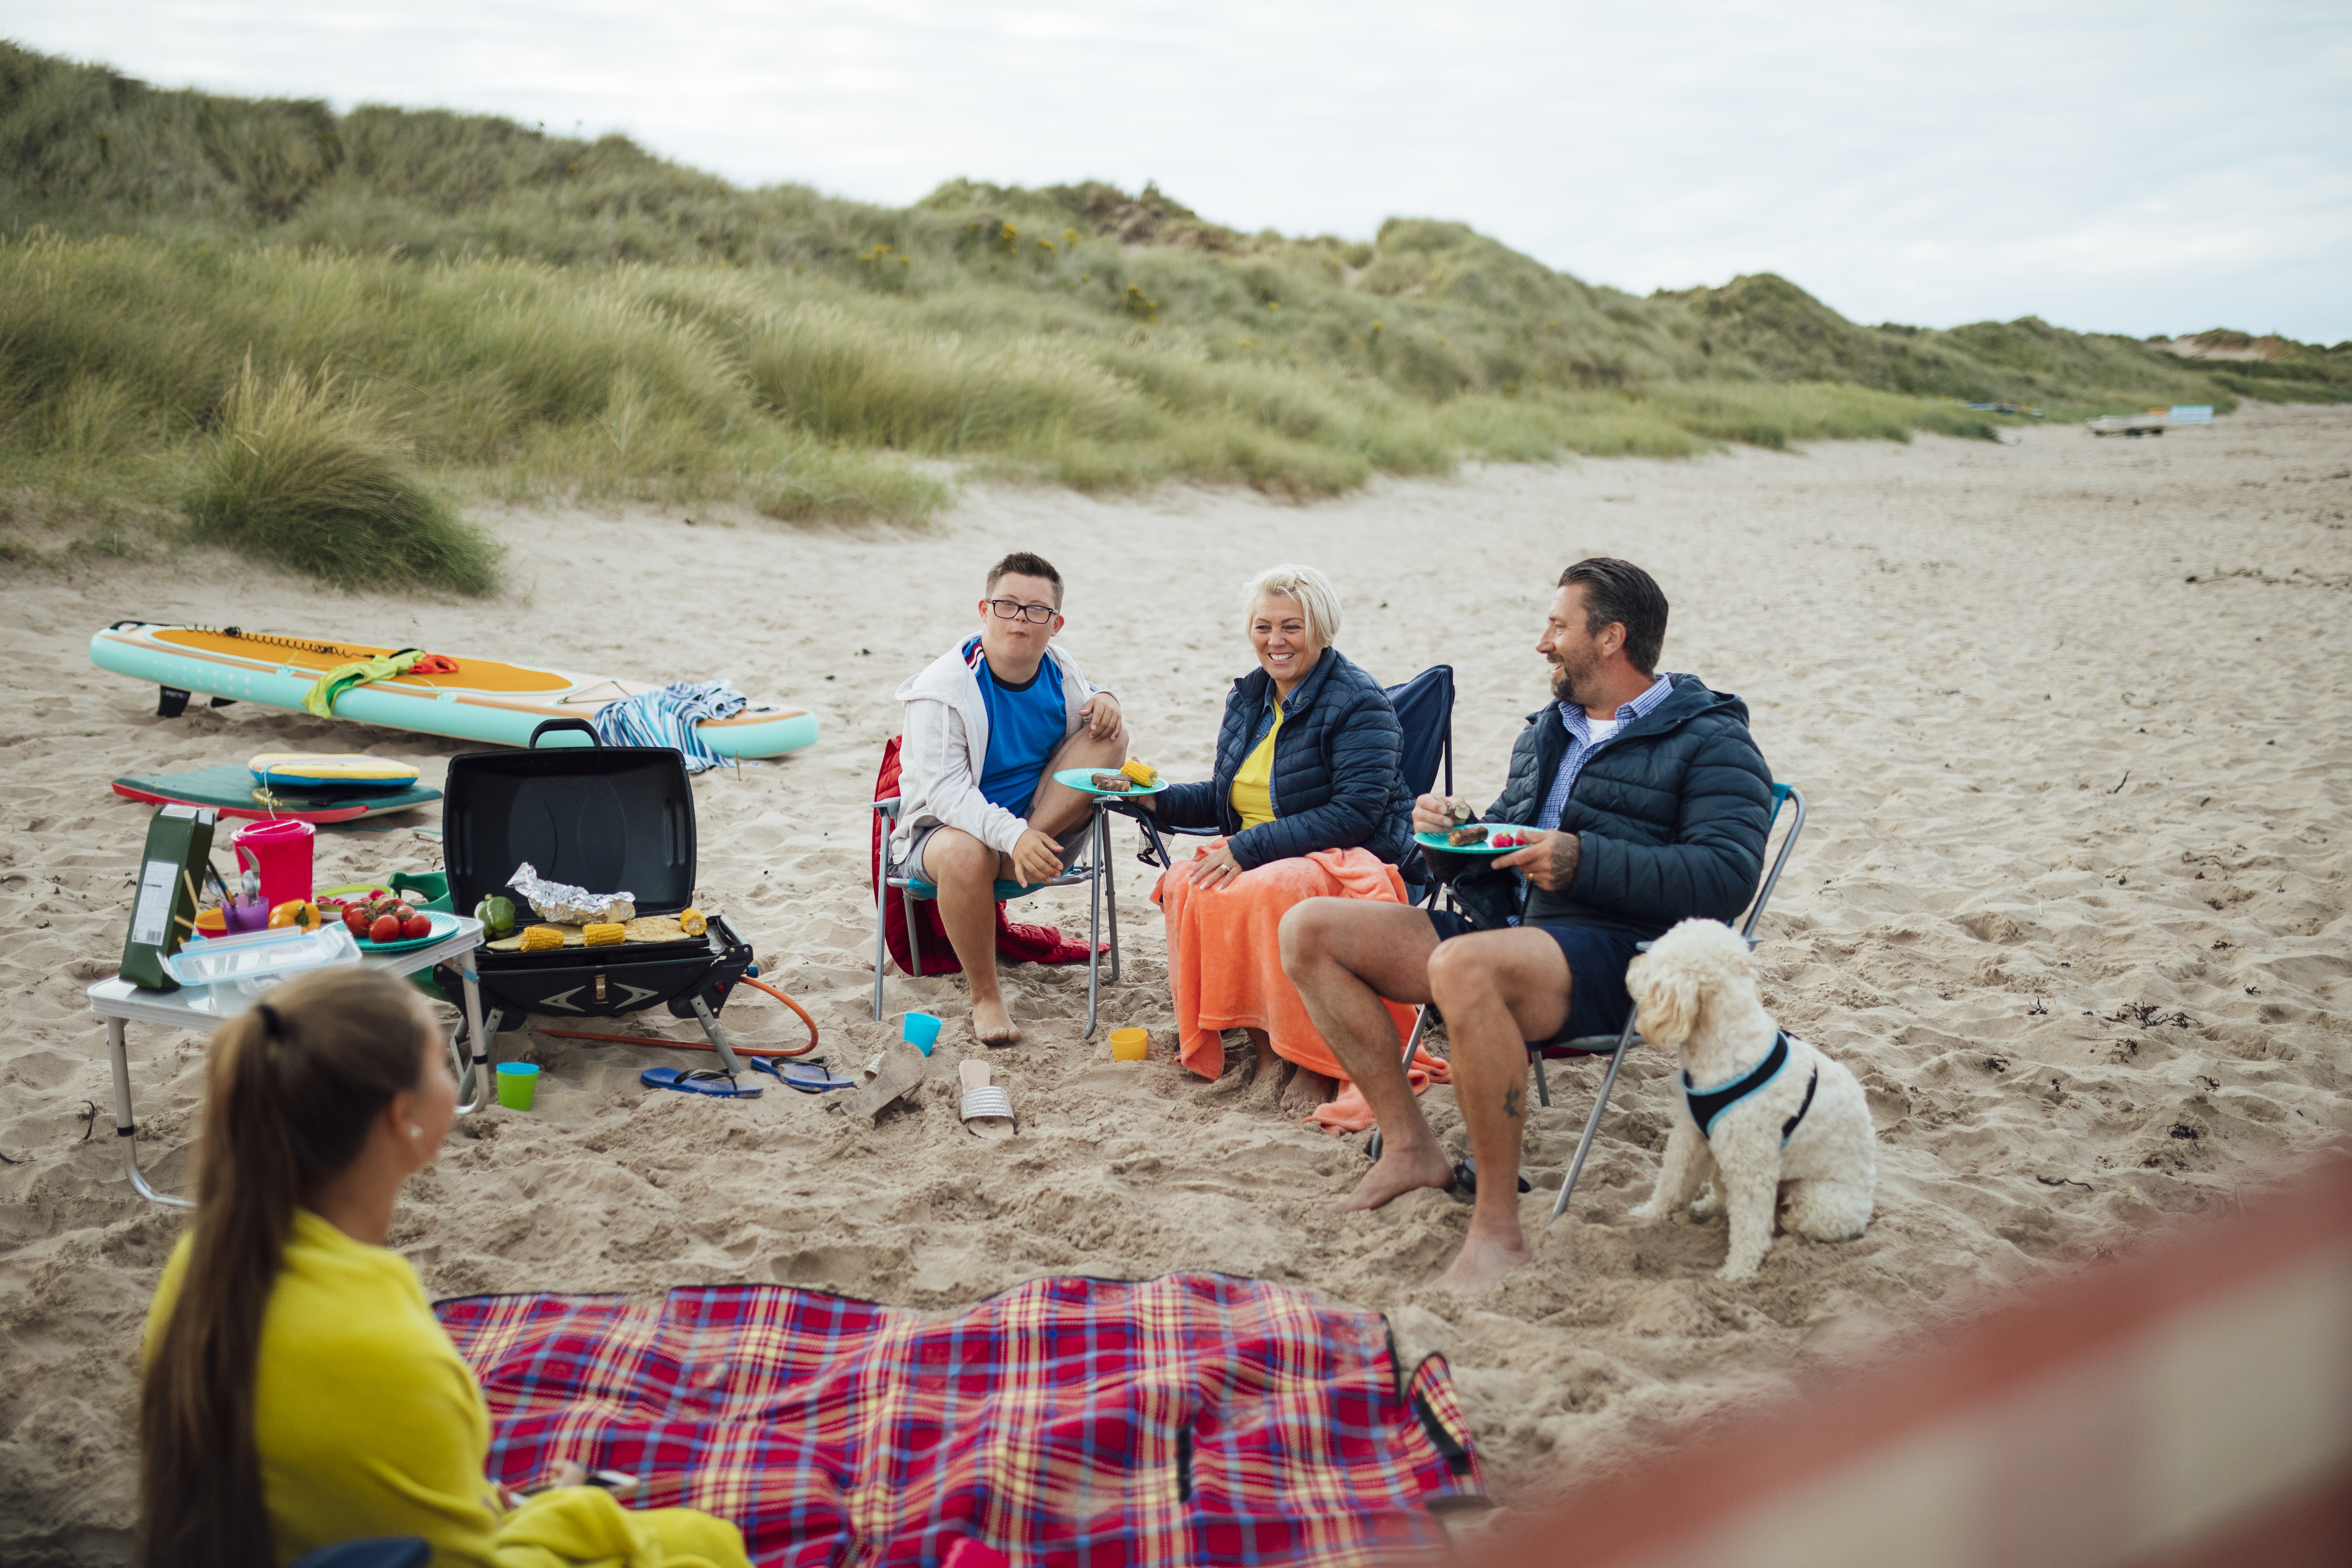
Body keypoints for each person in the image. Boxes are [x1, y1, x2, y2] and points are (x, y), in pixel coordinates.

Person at [138, 966, 751, 1568]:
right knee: (708, 1546)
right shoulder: (390, 1356)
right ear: (399, 1115)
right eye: (439, 1062)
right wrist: (570, 1507)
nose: (452, 1076)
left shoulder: (206, 1258)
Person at [1279, 558, 1773, 1294]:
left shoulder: (1712, 740)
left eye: (1557, 626)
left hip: (1623, 954)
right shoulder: (1549, 730)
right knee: (1309, 928)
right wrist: (1456, 836)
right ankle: (1413, 1147)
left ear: (1611, 637)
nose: (1543, 643)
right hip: (1508, 927)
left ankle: (1498, 1228)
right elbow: (1502, 854)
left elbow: (1728, 877)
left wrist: (1582, 861)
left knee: (1464, 968)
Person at [1137, 566, 1434, 1118]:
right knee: (1188, 883)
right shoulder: (1249, 700)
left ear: (1321, 629)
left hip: (1351, 853)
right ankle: (1267, 1047)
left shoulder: (1359, 703)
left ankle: (1315, 1060)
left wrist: (1248, 850)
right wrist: (1158, 797)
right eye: (1263, 626)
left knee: (1273, 886)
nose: (1276, 642)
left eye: (1291, 627)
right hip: (1268, 847)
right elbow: (1228, 797)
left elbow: (1356, 812)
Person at [890, 551, 1127, 1046]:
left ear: (1055, 623)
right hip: (944, 841)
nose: (1021, 619)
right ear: (984, 610)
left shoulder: (1060, 669)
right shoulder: (942, 690)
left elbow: (1090, 693)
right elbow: (949, 796)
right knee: (964, 847)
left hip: (1037, 836)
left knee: (1112, 736)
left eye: (1036, 610)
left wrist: (1108, 700)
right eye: (1008, 605)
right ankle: (986, 998)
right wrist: (1014, 836)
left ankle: (1028, 843)